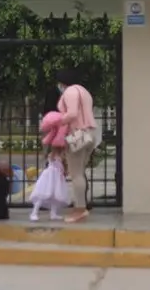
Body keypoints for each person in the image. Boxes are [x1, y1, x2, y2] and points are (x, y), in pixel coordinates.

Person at [56, 68, 99, 223]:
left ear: (62, 82)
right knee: (80, 172)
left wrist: (57, 121)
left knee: (76, 174)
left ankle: (80, 209)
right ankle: (81, 207)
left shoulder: (69, 92)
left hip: (78, 133)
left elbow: (72, 113)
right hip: (91, 132)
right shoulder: (85, 92)